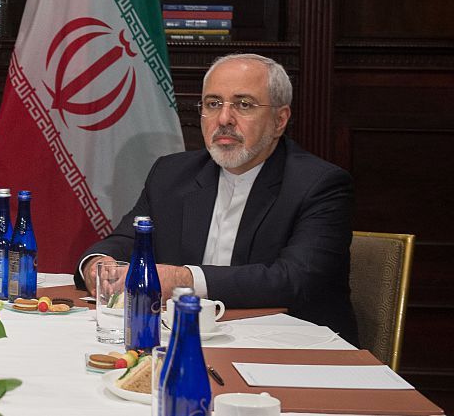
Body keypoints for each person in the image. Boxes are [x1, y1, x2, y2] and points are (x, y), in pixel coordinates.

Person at [77, 53, 358, 344]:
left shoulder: (319, 184)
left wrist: (183, 279)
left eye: (244, 105)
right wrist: (97, 264)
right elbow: (129, 240)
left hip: (292, 350)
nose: (224, 119)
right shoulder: (171, 174)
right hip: (182, 339)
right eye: (213, 104)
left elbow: (294, 279)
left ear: (279, 120)